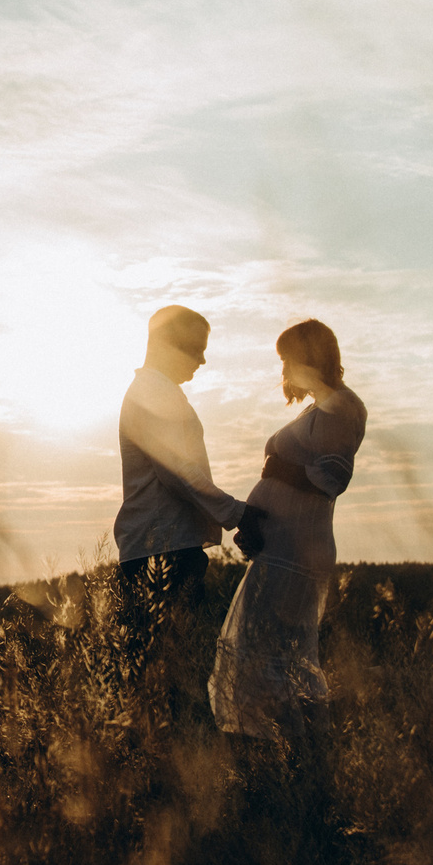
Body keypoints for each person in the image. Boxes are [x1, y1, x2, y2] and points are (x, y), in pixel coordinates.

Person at [210, 318, 366, 751]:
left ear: (308, 357)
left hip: (298, 550)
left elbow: (333, 476)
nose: (283, 369)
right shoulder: (317, 408)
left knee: (270, 656)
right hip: (280, 544)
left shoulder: (344, 406)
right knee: (268, 655)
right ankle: (282, 758)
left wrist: (275, 470)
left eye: (286, 359)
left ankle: (296, 759)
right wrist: (255, 520)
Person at [112, 305, 248, 696]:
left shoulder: (161, 392)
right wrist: (237, 513)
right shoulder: (151, 394)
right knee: (164, 679)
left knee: (169, 675)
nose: (203, 359)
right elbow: (179, 472)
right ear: (168, 343)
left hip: (168, 549)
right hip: (161, 554)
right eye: (196, 348)